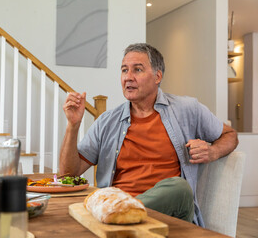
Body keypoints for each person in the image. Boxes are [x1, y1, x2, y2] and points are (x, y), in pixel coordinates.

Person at [59, 43, 238, 227]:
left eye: (137, 70)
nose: (128, 77)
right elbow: (68, 174)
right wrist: (73, 126)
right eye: (124, 70)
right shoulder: (107, 121)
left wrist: (213, 152)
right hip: (116, 210)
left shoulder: (187, 109)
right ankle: (122, 215)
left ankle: (120, 215)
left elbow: (230, 134)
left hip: (170, 216)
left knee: (179, 188)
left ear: (157, 76)